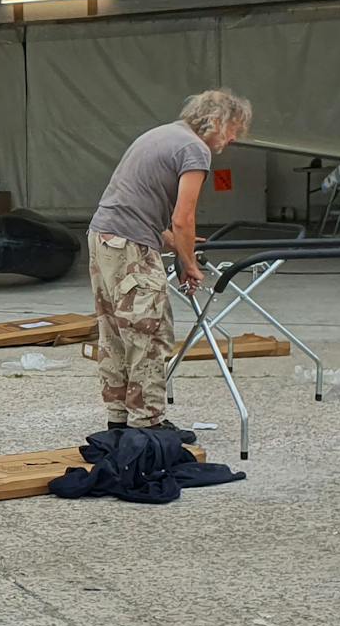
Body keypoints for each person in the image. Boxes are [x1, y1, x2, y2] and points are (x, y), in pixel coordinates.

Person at [87, 89, 252, 430]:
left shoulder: (162, 133)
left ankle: (118, 419)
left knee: (116, 331)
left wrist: (175, 241)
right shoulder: (195, 149)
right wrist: (189, 262)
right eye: (233, 128)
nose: (234, 138)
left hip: (103, 236)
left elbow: (137, 201)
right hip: (130, 244)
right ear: (216, 121)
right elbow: (183, 218)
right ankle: (147, 424)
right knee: (148, 332)